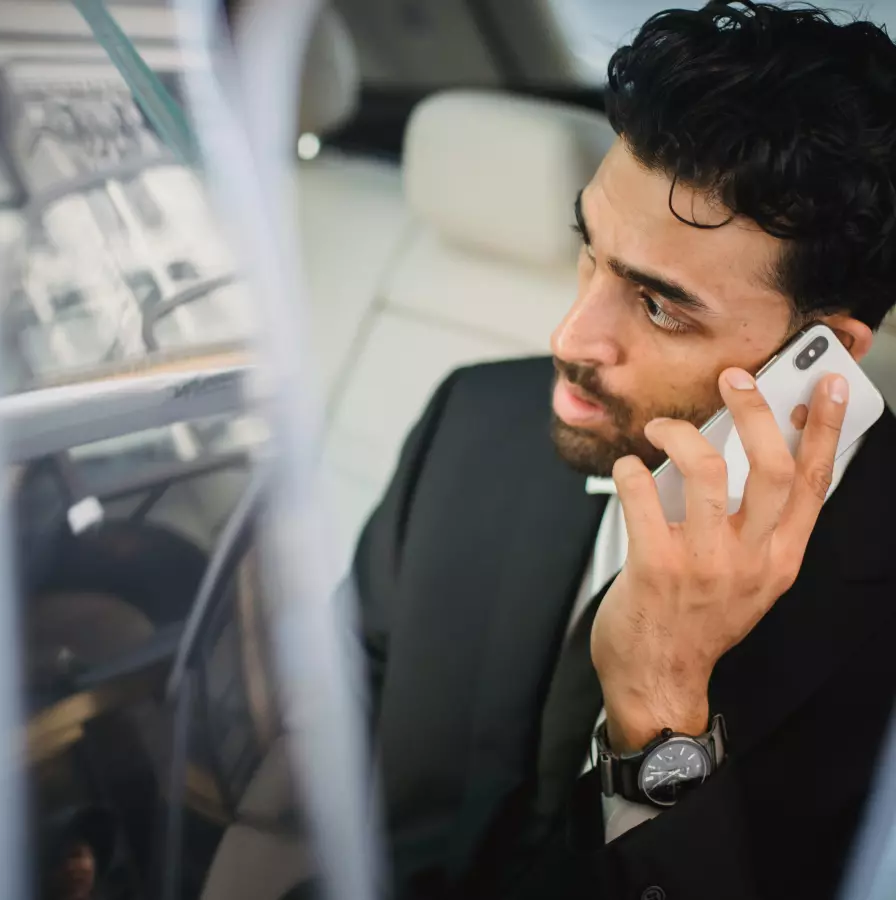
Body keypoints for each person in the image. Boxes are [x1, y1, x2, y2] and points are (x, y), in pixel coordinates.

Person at [326, 3, 896, 899]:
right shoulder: (477, 418)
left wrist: (662, 708)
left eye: (661, 305)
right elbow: (319, 752)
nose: (569, 335)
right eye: (587, 251)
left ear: (819, 352)